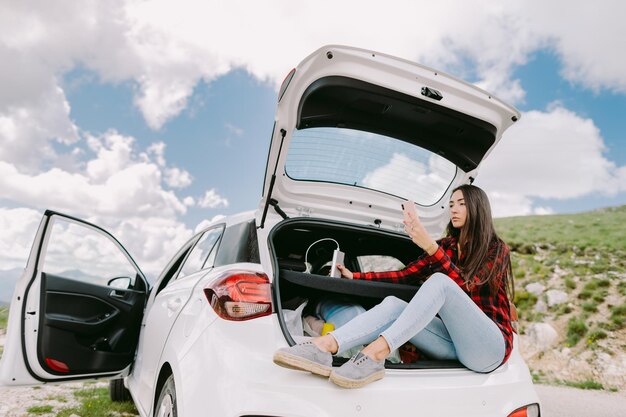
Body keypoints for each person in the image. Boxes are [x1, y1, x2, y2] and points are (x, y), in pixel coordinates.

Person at [273, 184, 515, 389]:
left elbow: (468, 287)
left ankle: (375, 354)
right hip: (454, 346)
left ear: (477, 207)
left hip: (489, 348)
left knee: (440, 282)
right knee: (393, 304)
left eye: (461, 203)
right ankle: (324, 347)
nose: (454, 208)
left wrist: (431, 247)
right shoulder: (447, 246)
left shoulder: (495, 248)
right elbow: (404, 276)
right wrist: (354, 276)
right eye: (451, 204)